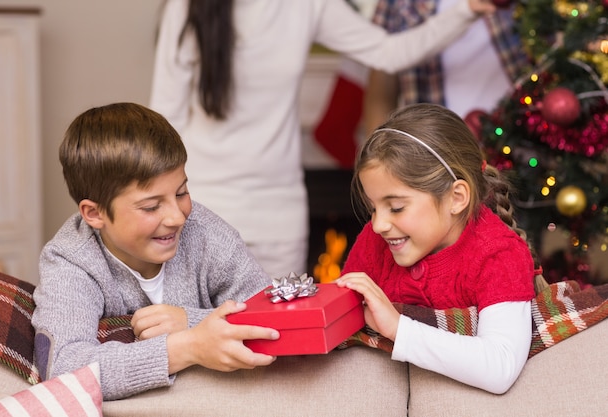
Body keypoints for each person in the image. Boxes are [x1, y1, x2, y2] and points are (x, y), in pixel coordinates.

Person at [149, 0, 498, 279]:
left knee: (279, 347)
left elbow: (390, 53)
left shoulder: (306, 5)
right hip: (203, 211)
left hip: (279, 213)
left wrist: (465, 10)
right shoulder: (185, 8)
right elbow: (164, 120)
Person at [32, 103, 279, 401]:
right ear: (95, 213)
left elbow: (273, 319)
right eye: (151, 206)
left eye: (181, 192)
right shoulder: (70, 260)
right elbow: (63, 369)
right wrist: (187, 347)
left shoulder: (208, 235)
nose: (177, 217)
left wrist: (190, 320)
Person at [336, 103, 545, 394]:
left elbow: (501, 366)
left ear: (456, 198)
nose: (379, 224)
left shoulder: (498, 254)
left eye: (396, 207)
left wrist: (399, 328)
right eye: (373, 208)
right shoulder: (375, 241)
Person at [363, 0, 529, 134]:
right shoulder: (398, 4)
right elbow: (381, 86)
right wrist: (375, 156)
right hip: (438, 154)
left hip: (523, 136)